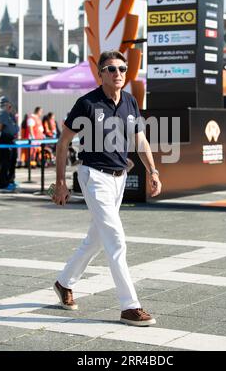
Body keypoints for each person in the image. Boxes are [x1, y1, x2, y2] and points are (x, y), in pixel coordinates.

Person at [52, 50, 162, 327]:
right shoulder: (87, 103)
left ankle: (64, 282)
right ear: (100, 73)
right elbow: (63, 142)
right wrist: (62, 182)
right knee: (116, 241)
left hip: (119, 178)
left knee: (97, 239)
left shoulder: (129, 102)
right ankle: (129, 306)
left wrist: (153, 170)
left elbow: (140, 140)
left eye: (122, 69)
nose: (118, 74)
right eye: (111, 69)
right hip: (94, 177)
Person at [0, 96, 19, 192]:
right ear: (6, 104)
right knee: (4, 163)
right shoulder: (3, 113)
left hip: (9, 140)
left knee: (9, 162)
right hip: (5, 140)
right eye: (9, 104)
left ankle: (8, 182)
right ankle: (2, 185)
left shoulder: (7, 113)